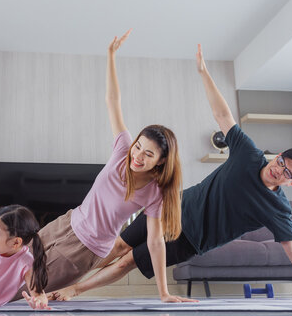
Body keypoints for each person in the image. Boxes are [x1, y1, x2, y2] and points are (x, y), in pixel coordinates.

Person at [48, 44, 292, 301]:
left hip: (190, 239)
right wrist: (204, 72)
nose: (278, 169)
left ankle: (75, 290)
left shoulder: (278, 207)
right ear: (278, 156)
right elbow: (222, 114)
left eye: (286, 173)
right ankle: (60, 284)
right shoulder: (249, 154)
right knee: (116, 246)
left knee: (128, 261)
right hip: (170, 208)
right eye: (281, 161)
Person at [14, 30, 190, 303]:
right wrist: (110, 55)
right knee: (8, 264)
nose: (138, 156)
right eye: (139, 147)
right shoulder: (123, 149)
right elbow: (112, 100)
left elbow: (155, 242)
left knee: (21, 290)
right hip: (65, 223)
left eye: (148, 154)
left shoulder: (155, 192)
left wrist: (164, 292)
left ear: (162, 161)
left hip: (85, 249)